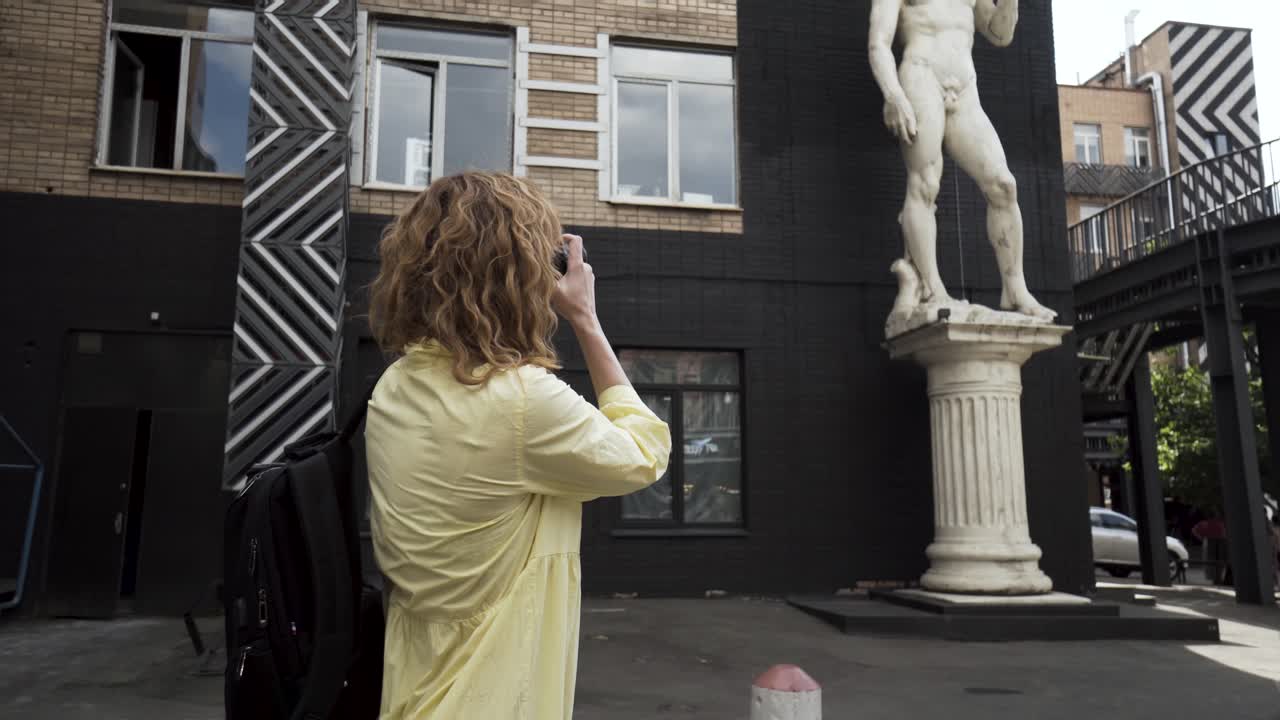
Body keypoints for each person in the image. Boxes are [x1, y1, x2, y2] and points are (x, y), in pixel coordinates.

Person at [363, 172, 672, 719]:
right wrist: (584, 318)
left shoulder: (396, 384)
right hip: (492, 699)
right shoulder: (520, 400)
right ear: (520, 275)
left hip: (413, 689)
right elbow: (643, 454)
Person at [867, 0, 1054, 321]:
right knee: (925, 183)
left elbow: (1000, 33)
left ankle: (1015, 289)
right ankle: (931, 288)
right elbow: (878, 42)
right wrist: (893, 95)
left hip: (966, 88)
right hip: (920, 76)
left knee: (1003, 185)